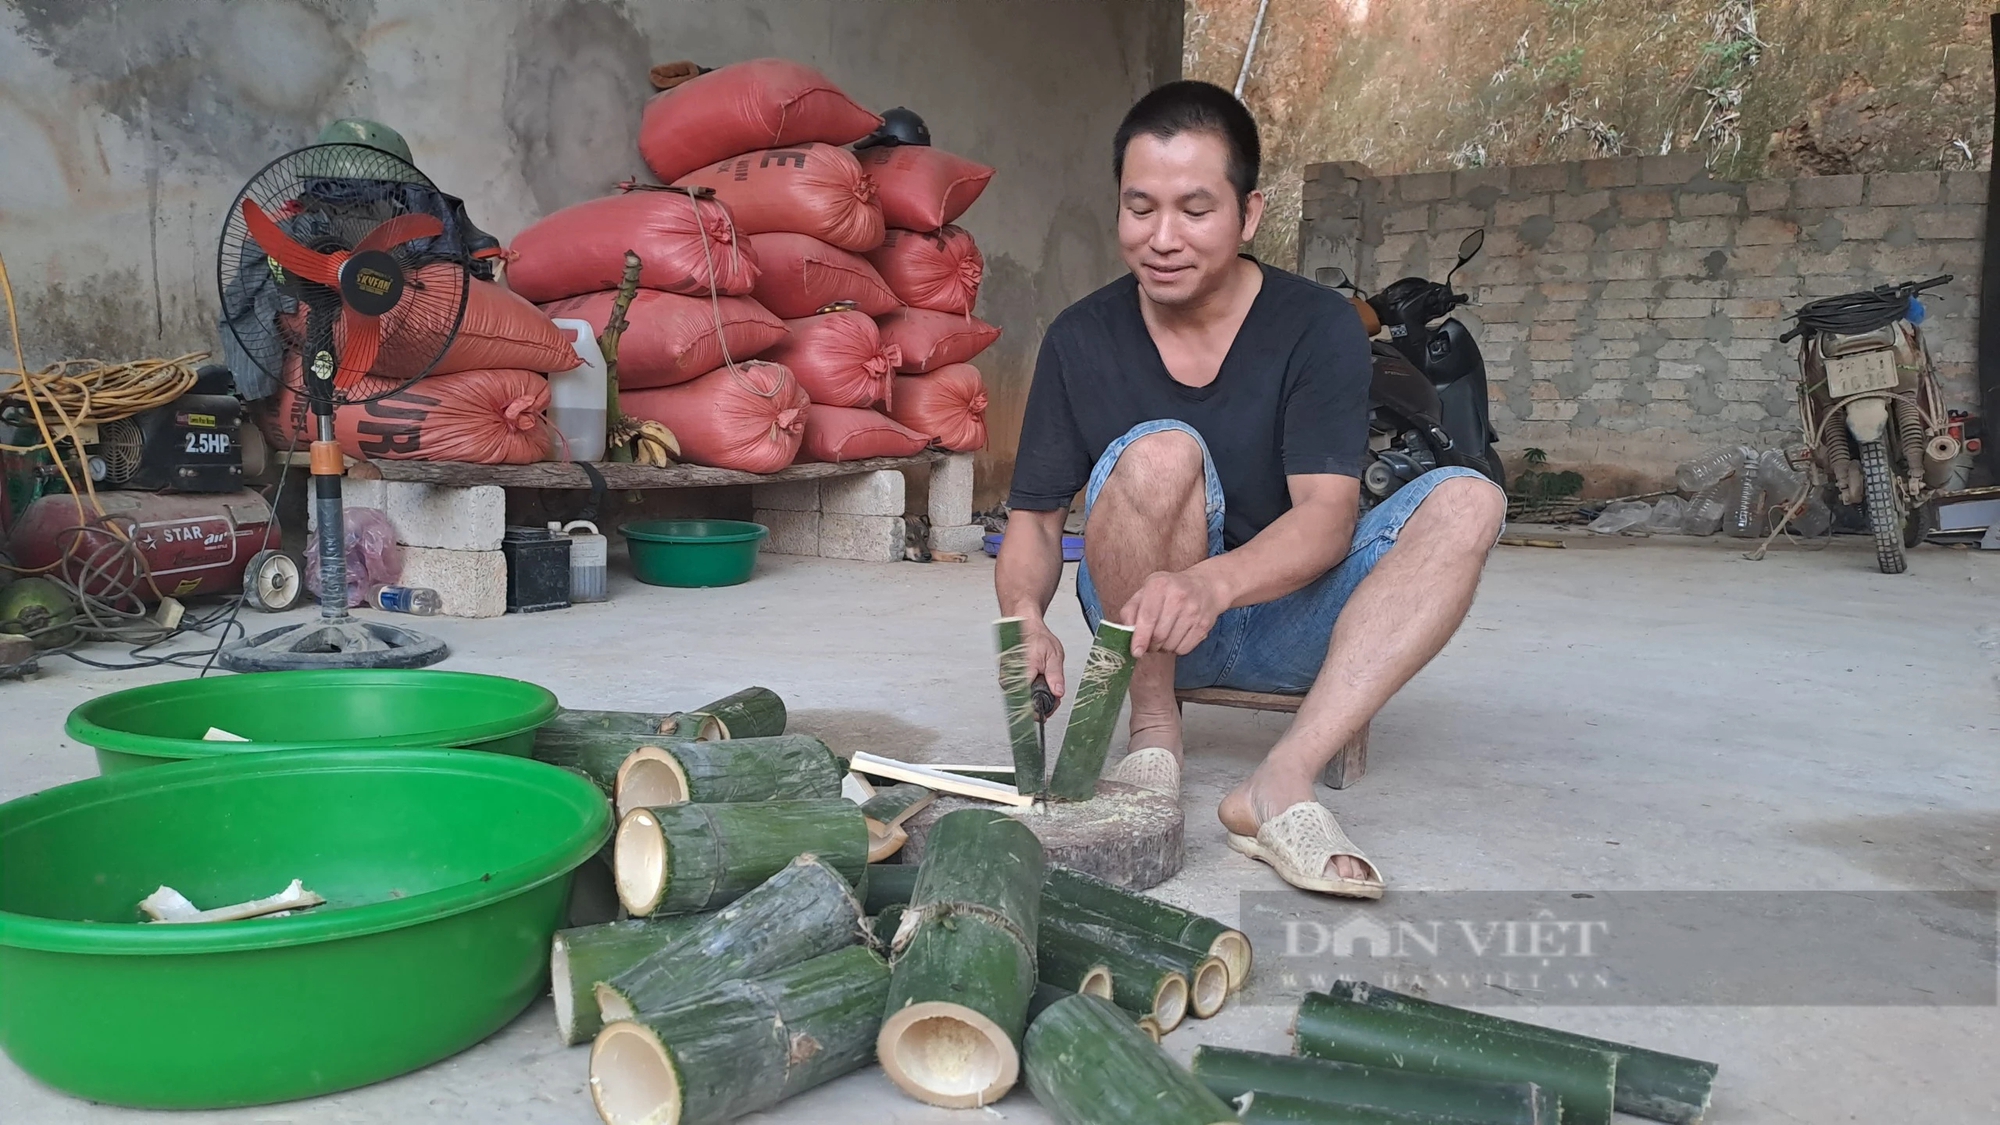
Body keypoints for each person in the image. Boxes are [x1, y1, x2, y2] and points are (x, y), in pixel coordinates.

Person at [995, 80, 1506, 898]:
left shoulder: (1318, 326)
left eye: (1195, 209)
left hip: (1287, 623)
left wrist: (1213, 582)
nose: (1161, 238)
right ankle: (1153, 733)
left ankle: (1279, 781)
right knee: (1160, 453)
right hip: (1144, 628)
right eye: (1139, 208)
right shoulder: (1080, 337)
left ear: (1249, 213)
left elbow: (1330, 518)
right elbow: (1033, 518)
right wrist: (1022, 618)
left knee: (1470, 498)